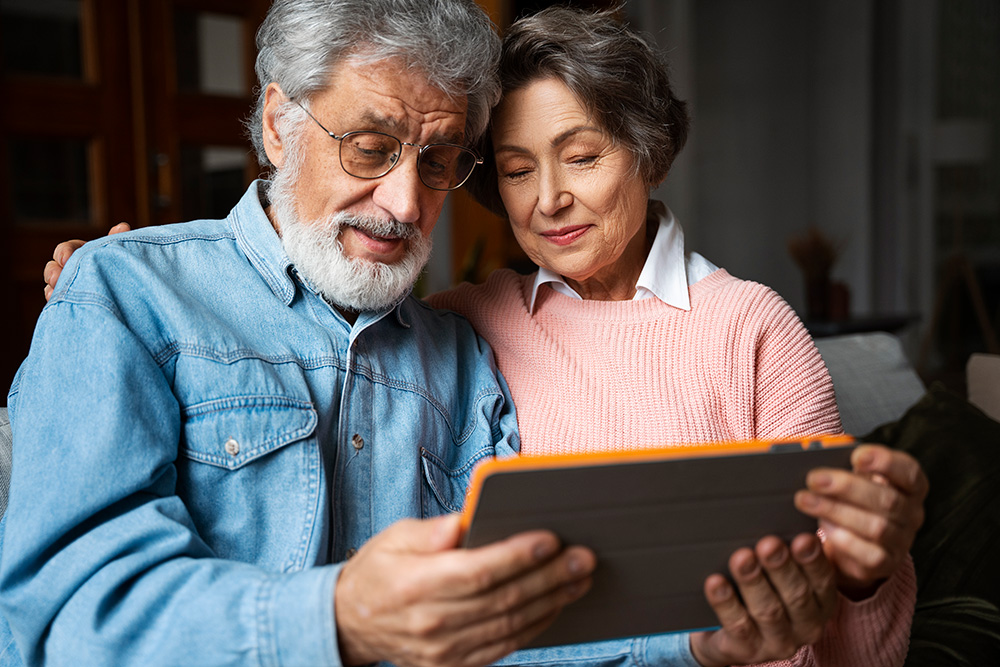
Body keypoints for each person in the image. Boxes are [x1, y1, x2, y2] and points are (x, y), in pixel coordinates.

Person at [2, 1, 869, 666]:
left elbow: (515, 621)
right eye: (372, 148)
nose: (408, 205)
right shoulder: (125, 294)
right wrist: (336, 616)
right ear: (277, 124)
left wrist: (694, 647)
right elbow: (59, 613)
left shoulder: (461, 354)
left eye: (441, 159)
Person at [426, 7, 927, 667]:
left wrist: (864, 574)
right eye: (518, 171)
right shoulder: (465, 320)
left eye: (581, 157)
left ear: (648, 154)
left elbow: (842, 641)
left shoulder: (753, 325)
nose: (549, 198)